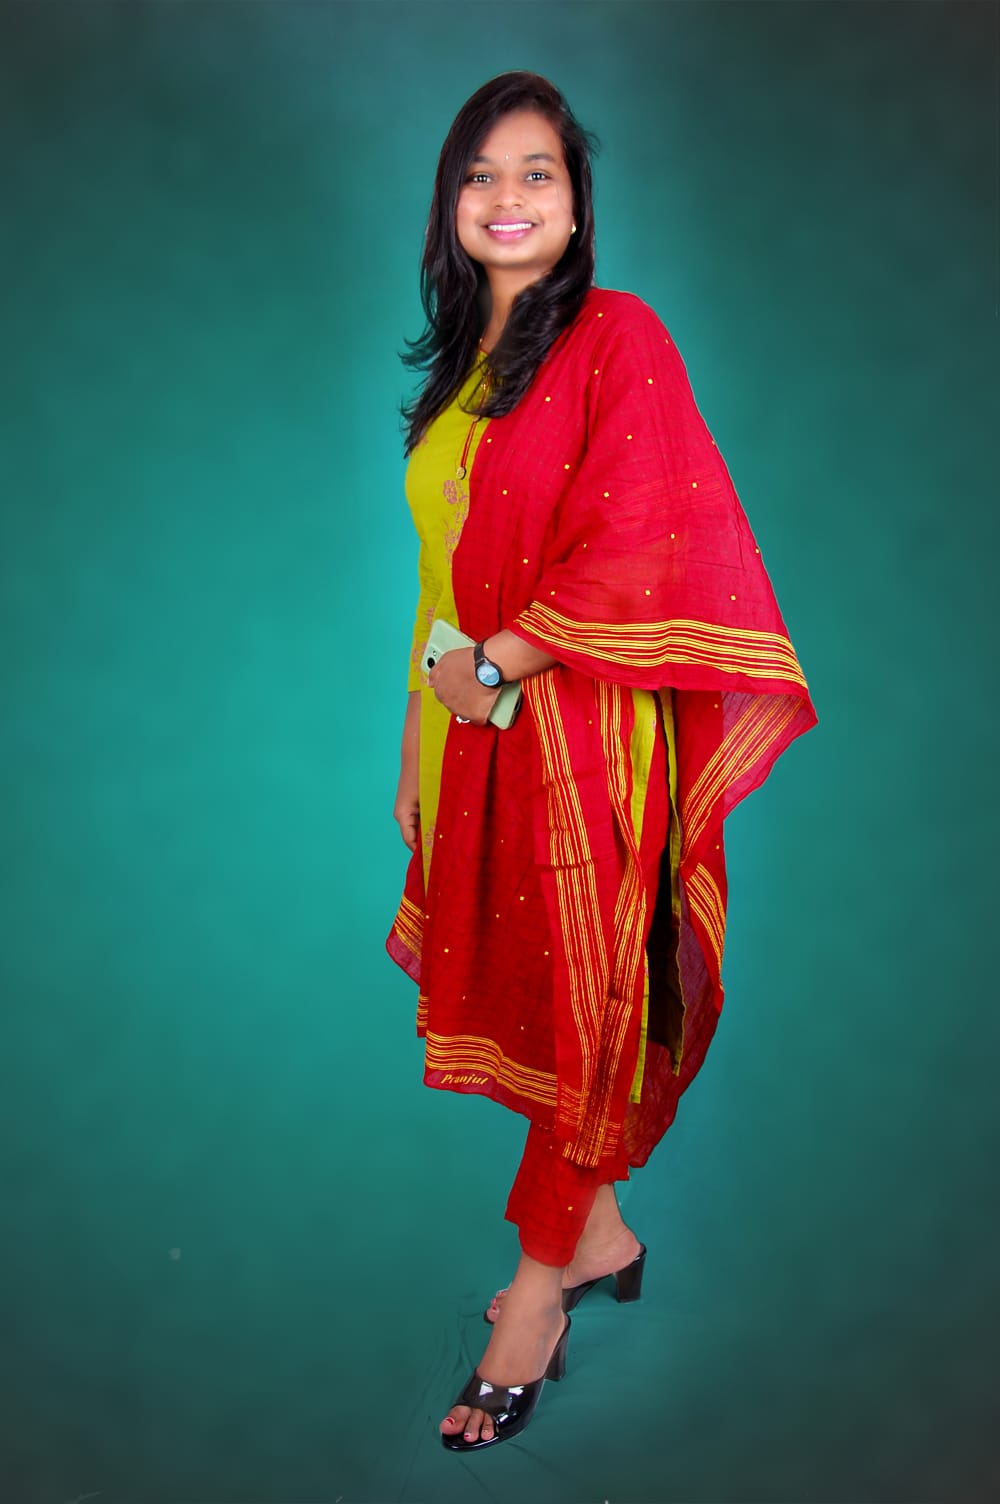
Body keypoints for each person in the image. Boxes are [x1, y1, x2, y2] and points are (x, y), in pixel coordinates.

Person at [387, 71, 816, 1452]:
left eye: (539, 174)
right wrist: (421, 743)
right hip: (478, 737)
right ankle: (603, 1235)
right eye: (480, 175)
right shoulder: (459, 377)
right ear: (450, 208)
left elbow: (641, 543)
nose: (507, 198)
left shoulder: (618, 337)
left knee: (592, 1007)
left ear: (577, 210)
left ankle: (533, 1303)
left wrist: (503, 664)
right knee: (537, 1004)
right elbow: (437, 589)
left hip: (584, 738)